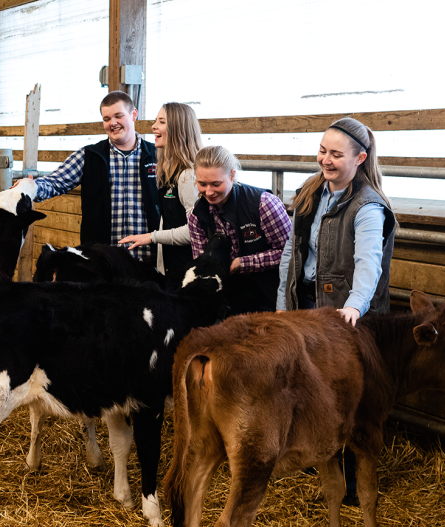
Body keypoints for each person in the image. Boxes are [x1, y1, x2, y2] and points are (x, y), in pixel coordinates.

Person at [277, 116, 397, 505]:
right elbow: (290, 255)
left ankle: (350, 486)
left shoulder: (367, 206)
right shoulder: (310, 192)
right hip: (307, 305)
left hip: (346, 316)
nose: (325, 160)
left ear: (360, 157)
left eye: (336, 155)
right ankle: (320, 463)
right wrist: (283, 304)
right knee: (313, 389)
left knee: (348, 397)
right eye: (322, 151)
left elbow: (369, 262)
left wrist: (354, 307)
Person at [18, 90, 159, 261]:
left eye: (118, 116)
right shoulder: (89, 156)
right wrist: (30, 187)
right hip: (102, 262)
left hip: (150, 261)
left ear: (134, 114)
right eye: (106, 119)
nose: (112, 123)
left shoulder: (158, 156)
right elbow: (55, 182)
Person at [187, 145, 291, 314]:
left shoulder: (264, 204)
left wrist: (242, 263)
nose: (209, 191)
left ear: (232, 175)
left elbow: (289, 252)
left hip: (270, 293)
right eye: (202, 184)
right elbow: (202, 262)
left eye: (216, 184)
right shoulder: (196, 216)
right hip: (230, 296)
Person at [118, 102, 202, 287]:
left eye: (161, 122)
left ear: (178, 129)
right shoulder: (169, 170)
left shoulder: (188, 175)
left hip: (187, 273)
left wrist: (151, 237)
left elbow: (194, 232)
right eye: (156, 121)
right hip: (172, 270)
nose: (153, 126)